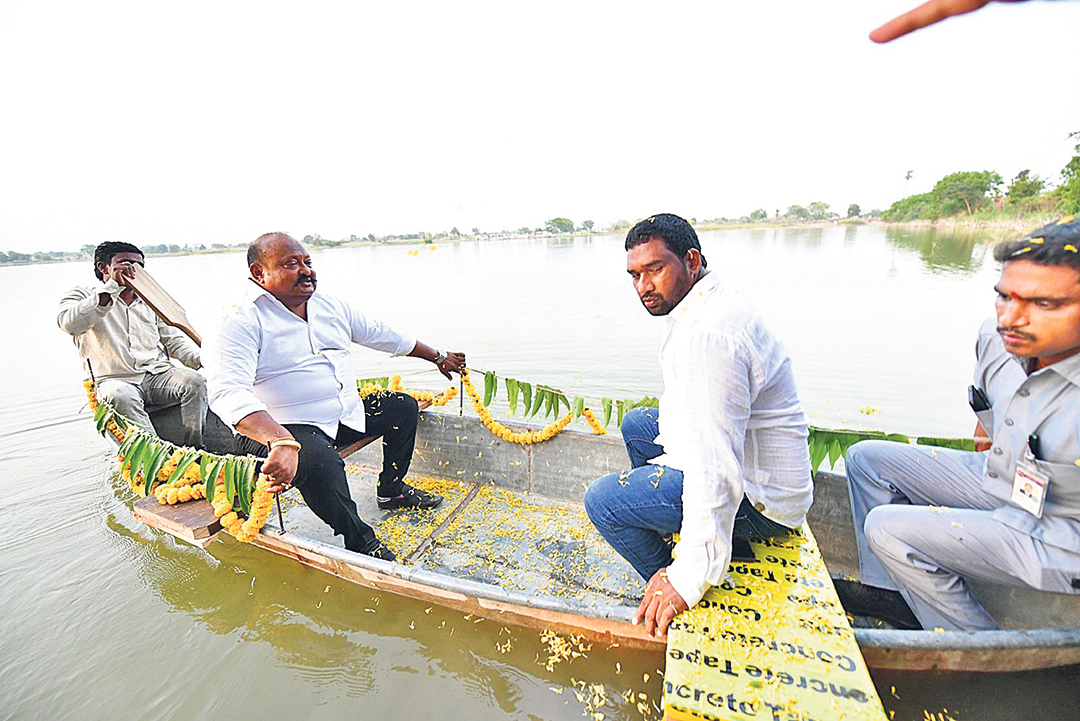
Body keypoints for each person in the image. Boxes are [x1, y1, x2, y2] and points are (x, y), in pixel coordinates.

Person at [840, 217, 1080, 631]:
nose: (1013, 318)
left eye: (1044, 304)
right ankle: (891, 595)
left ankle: (973, 642)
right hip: (1005, 480)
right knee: (867, 460)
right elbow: (985, 424)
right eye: (1005, 297)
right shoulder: (996, 338)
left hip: (1063, 533)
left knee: (887, 527)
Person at [583, 213, 813, 637]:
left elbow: (716, 468)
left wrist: (690, 578)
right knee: (638, 424)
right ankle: (678, 544)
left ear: (691, 260)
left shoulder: (710, 334)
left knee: (603, 501)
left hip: (763, 501)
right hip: (750, 468)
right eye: (634, 275)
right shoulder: (701, 302)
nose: (643, 287)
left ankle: (672, 585)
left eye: (655, 270)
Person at [203, 232, 466, 561]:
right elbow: (228, 393)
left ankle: (391, 490)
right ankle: (360, 540)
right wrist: (280, 442)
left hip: (341, 413)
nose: (306, 271)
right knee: (320, 459)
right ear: (259, 274)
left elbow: (383, 335)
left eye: (308, 262)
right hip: (279, 427)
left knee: (402, 407)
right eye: (290, 264)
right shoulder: (237, 321)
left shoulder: (329, 306)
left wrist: (439, 356)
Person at [58, 242, 207, 447]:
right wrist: (112, 287)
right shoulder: (83, 295)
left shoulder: (152, 300)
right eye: (125, 263)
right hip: (114, 379)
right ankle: (155, 455)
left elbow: (175, 343)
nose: (133, 270)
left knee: (195, 382)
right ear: (104, 267)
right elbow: (69, 325)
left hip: (157, 375)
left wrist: (207, 359)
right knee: (120, 395)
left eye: (138, 265)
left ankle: (195, 447)